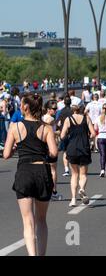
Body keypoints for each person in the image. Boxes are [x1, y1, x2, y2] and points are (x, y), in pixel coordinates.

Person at [3, 93, 58, 256]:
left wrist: (16, 148)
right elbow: (54, 152)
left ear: (25, 107)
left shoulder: (15, 127)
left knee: (28, 221)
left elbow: (6, 154)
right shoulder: (46, 127)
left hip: (25, 171)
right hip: (42, 171)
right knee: (41, 220)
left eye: (21, 104)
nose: (19, 106)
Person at [61, 105, 96, 207]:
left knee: (74, 175)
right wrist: (87, 138)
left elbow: (63, 135)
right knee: (83, 174)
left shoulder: (68, 119)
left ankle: (73, 199)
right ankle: (82, 189)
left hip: (72, 148)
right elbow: (93, 133)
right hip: (84, 147)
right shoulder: (86, 118)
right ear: (80, 110)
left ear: (72, 111)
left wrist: (68, 136)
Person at [42, 100, 62, 201]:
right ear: (48, 109)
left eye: (56, 109)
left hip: (43, 146)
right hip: (51, 145)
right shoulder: (50, 119)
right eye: (54, 109)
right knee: (53, 170)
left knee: (45, 169)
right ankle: (54, 191)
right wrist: (58, 132)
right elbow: (49, 133)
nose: (55, 110)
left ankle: (45, 190)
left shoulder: (42, 118)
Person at [56, 96, 73, 177]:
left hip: (64, 133)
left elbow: (58, 123)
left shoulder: (61, 111)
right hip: (73, 133)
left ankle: (66, 169)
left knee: (65, 152)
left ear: (64, 103)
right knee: (73, 151)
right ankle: (74, 168)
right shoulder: (73, 111)